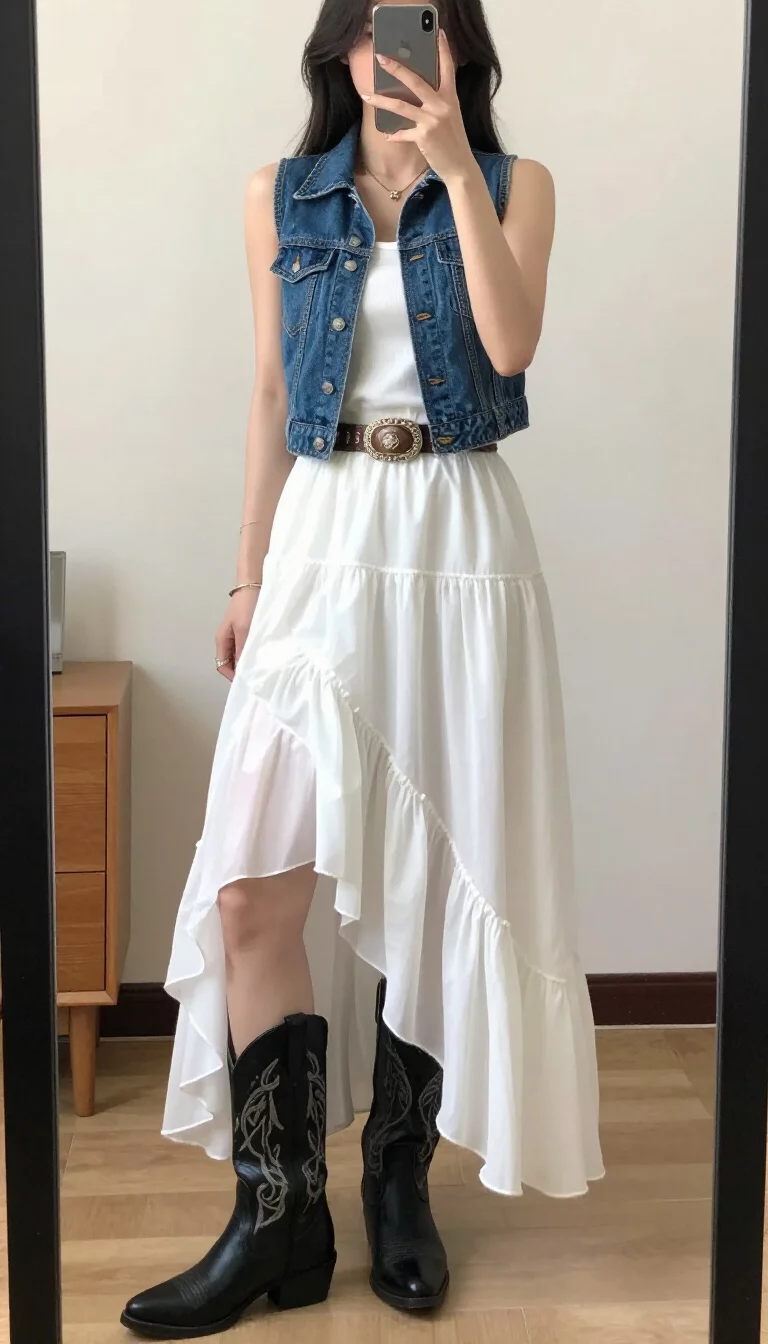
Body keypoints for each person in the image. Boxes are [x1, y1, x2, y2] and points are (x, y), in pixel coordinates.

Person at [121, 0, 604, 1336]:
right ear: (339, 50)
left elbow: (510, 351)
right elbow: (275, 388)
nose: (401, 55)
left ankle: (400, 1188)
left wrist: (455, 168)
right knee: (249, 892)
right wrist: (245, 573)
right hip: (326, 542)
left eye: (427, 28)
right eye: (379, 29)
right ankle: (278, 1218)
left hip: (460, 541)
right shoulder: (278, 194)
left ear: (461, 51)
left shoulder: (516, 183)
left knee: (439, 872)